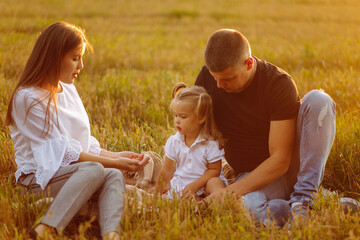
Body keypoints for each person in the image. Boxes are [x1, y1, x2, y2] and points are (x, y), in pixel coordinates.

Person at [5, 21, 150, 239]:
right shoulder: (28, 98)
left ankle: (112, 234)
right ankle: (46, 228)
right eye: (75, 58)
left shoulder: (68, 90)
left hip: (71, 174)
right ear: (54, 57)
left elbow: (80, 145)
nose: (81, 65)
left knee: (111, 175)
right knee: (96, 169)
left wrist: (117, 156)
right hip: (35, 181)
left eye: (81, 58)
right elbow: (63, 153)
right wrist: (115, 163)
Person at [195, 28, 339, 226]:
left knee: (319, 100)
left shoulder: (278, 84)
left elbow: (280, 160)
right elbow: (190, 117)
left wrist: (227, 194)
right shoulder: (208, 79)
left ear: (249, 63)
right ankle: (326, 206)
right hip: (252, 178)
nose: (219, 85)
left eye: (227, 78)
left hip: (291, 167)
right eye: (215, 77)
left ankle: (304, 200)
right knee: (250, 209)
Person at [153, 83, 227, 200]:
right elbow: (167, 170)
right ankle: (199, 205)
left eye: (183, 117)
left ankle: (216, 200)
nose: (177, 121)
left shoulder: (210, 143)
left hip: (204, 183)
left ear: (201, 117)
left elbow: (215, 170)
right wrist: (156, 194)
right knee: (179, 200)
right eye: (175, 115)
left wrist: (196, 185)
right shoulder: (174, 142)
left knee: (215, 182)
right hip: (184, 185)